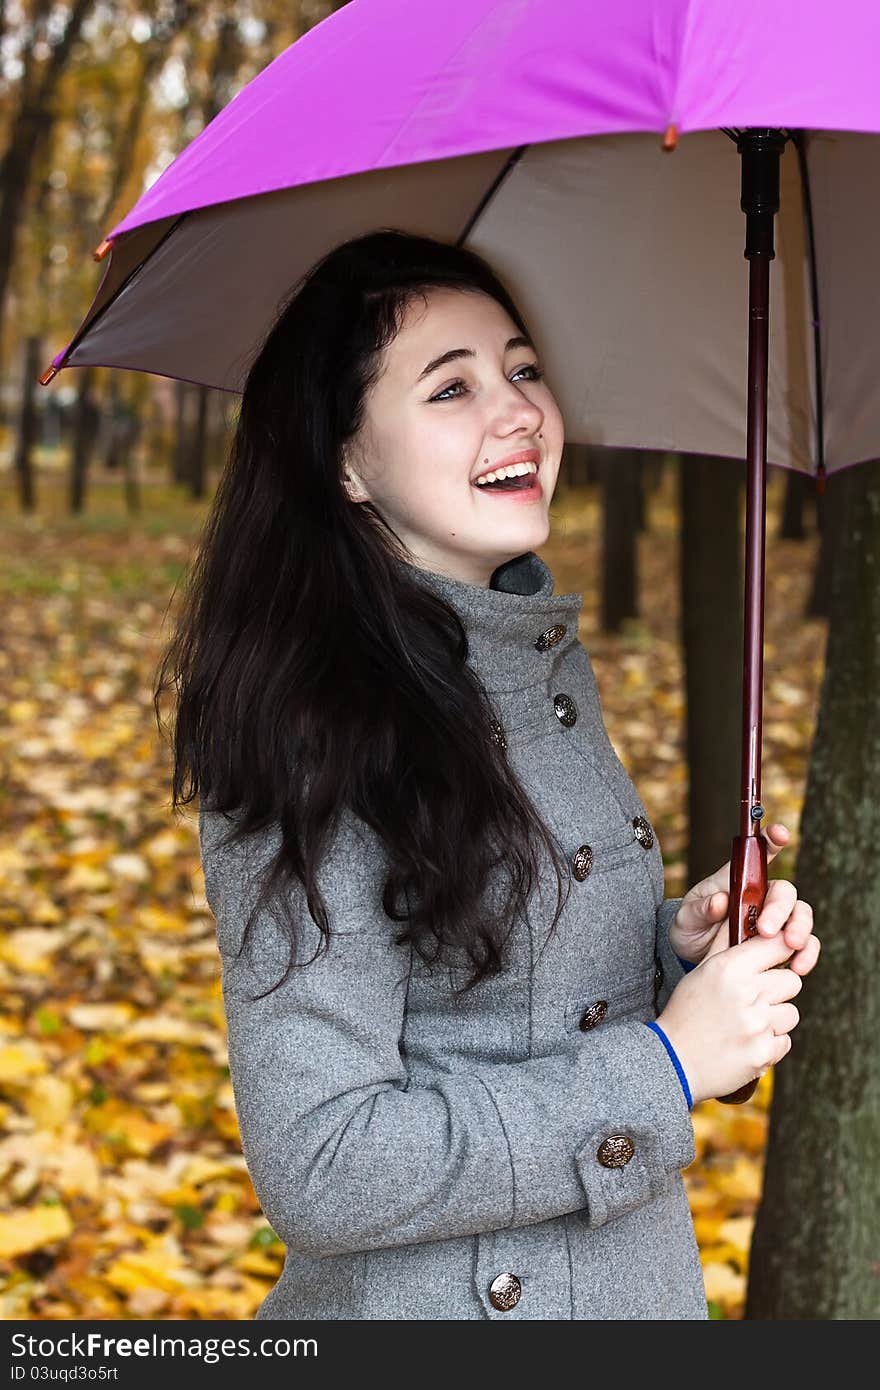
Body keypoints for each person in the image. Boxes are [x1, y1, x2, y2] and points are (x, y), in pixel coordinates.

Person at [155, 228, 820, 1320]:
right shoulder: (313, 734)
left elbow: (504, 995)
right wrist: (664, 1065)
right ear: (345, 459)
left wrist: (681, 956)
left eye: (520, 369)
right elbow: (325, 1162)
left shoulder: (532, 662)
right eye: (450, 387)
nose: (516, 409)